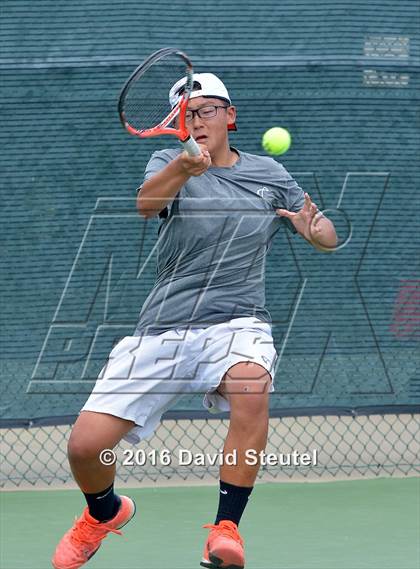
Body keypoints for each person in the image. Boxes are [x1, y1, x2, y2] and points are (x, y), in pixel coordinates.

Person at [52, 72, 337, 569]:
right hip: (164, 326)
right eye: (185, 114)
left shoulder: (269, 174)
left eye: (206, 109)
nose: (196, 120)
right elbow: (147, 205)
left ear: (230, 115)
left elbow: (326, 235)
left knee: (252, 386)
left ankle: (227, 530)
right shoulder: (169, 160)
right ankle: (104, 512)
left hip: (238, 322)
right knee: (84, 446)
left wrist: (315, 229)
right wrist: (184, 169)